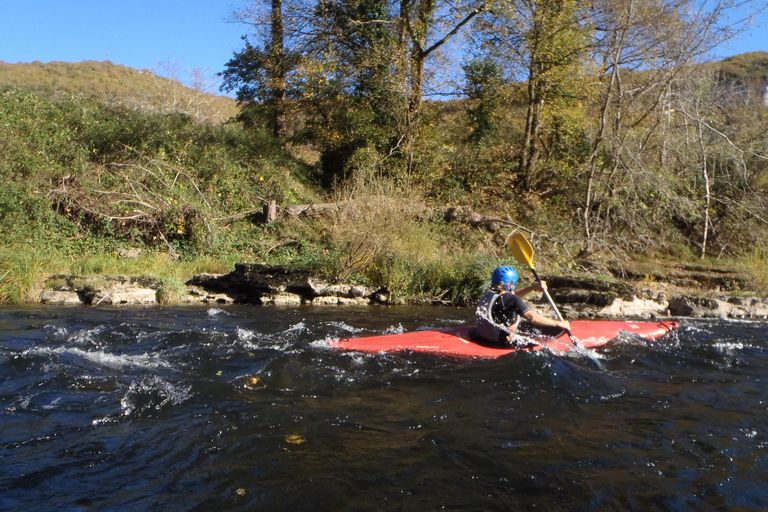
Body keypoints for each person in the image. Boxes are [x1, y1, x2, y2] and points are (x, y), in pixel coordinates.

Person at [475, 265, 571, 346]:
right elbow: (532, 318)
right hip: (500, 342)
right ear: (510, 283)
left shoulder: (489, 293)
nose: (514, 285)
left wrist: (533, 287)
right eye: (513, 283)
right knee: (529, 312)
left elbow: (511, 297)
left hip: (483, 336)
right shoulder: (511, 299)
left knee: (517, 315)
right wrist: (558, 323)